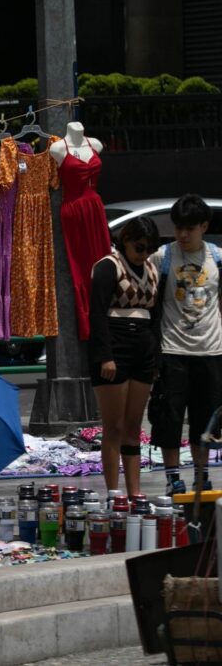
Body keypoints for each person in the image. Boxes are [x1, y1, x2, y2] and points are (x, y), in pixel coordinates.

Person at [148, 194, 220, 494]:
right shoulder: (162, 258)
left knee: (206, 422)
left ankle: (202, 475)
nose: (182, 234)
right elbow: (150, 303)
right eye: (178, 227)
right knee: (169, 420)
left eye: (190, 228)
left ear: (204, 226)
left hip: (211, 351)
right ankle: (173, 478)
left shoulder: (217, 258)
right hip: (172, 351)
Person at [88, 217, 160, 497]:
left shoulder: (152, 269)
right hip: (115, 346)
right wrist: (105, 356)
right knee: (114, 426)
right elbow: (96, 313)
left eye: (150, 249)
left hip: (143, 347)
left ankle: (135, 491)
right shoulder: (108, 266)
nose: (144, 254)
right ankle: (114, 492)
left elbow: (155, 316)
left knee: (133, 426)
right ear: (126, 240)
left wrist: (155, 356)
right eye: (140, 247)